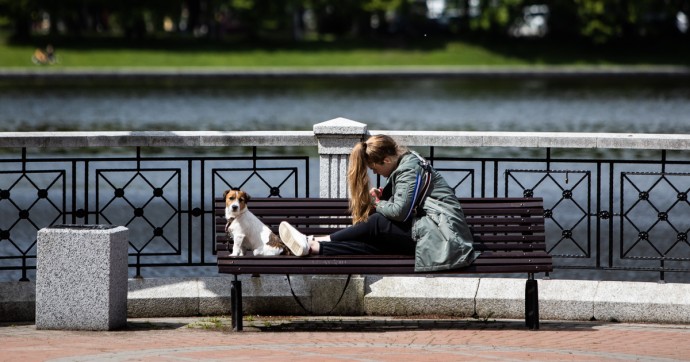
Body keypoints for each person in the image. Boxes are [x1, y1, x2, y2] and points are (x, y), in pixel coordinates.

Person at [279, 134, 479, 272]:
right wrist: (384, 197)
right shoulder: (406, 164)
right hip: (433, 231)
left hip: (444, 237)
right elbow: (408, 203)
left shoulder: (408, 169)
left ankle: (316, 239)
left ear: (385, 160)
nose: (374, 173)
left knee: (376, 223)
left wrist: (377, 202)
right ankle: (314, 247)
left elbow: (400, 212)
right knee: (372, 243)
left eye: (374, 168)